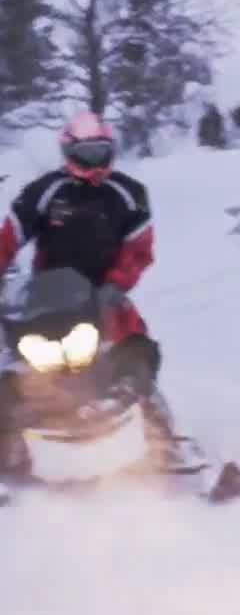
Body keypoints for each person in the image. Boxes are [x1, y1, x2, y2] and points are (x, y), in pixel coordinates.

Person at [0, 111, 179, 474]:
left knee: (135, 346)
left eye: (101, 152)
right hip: (47, 295)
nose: (94, 162)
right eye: (86, 154)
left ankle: (166, 441)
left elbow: (139, 248)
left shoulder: (128, 194)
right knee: (12, 360)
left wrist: (116, 283)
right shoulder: (45, 191)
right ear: (69, 152)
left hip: (104, 292)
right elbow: (9, 235)